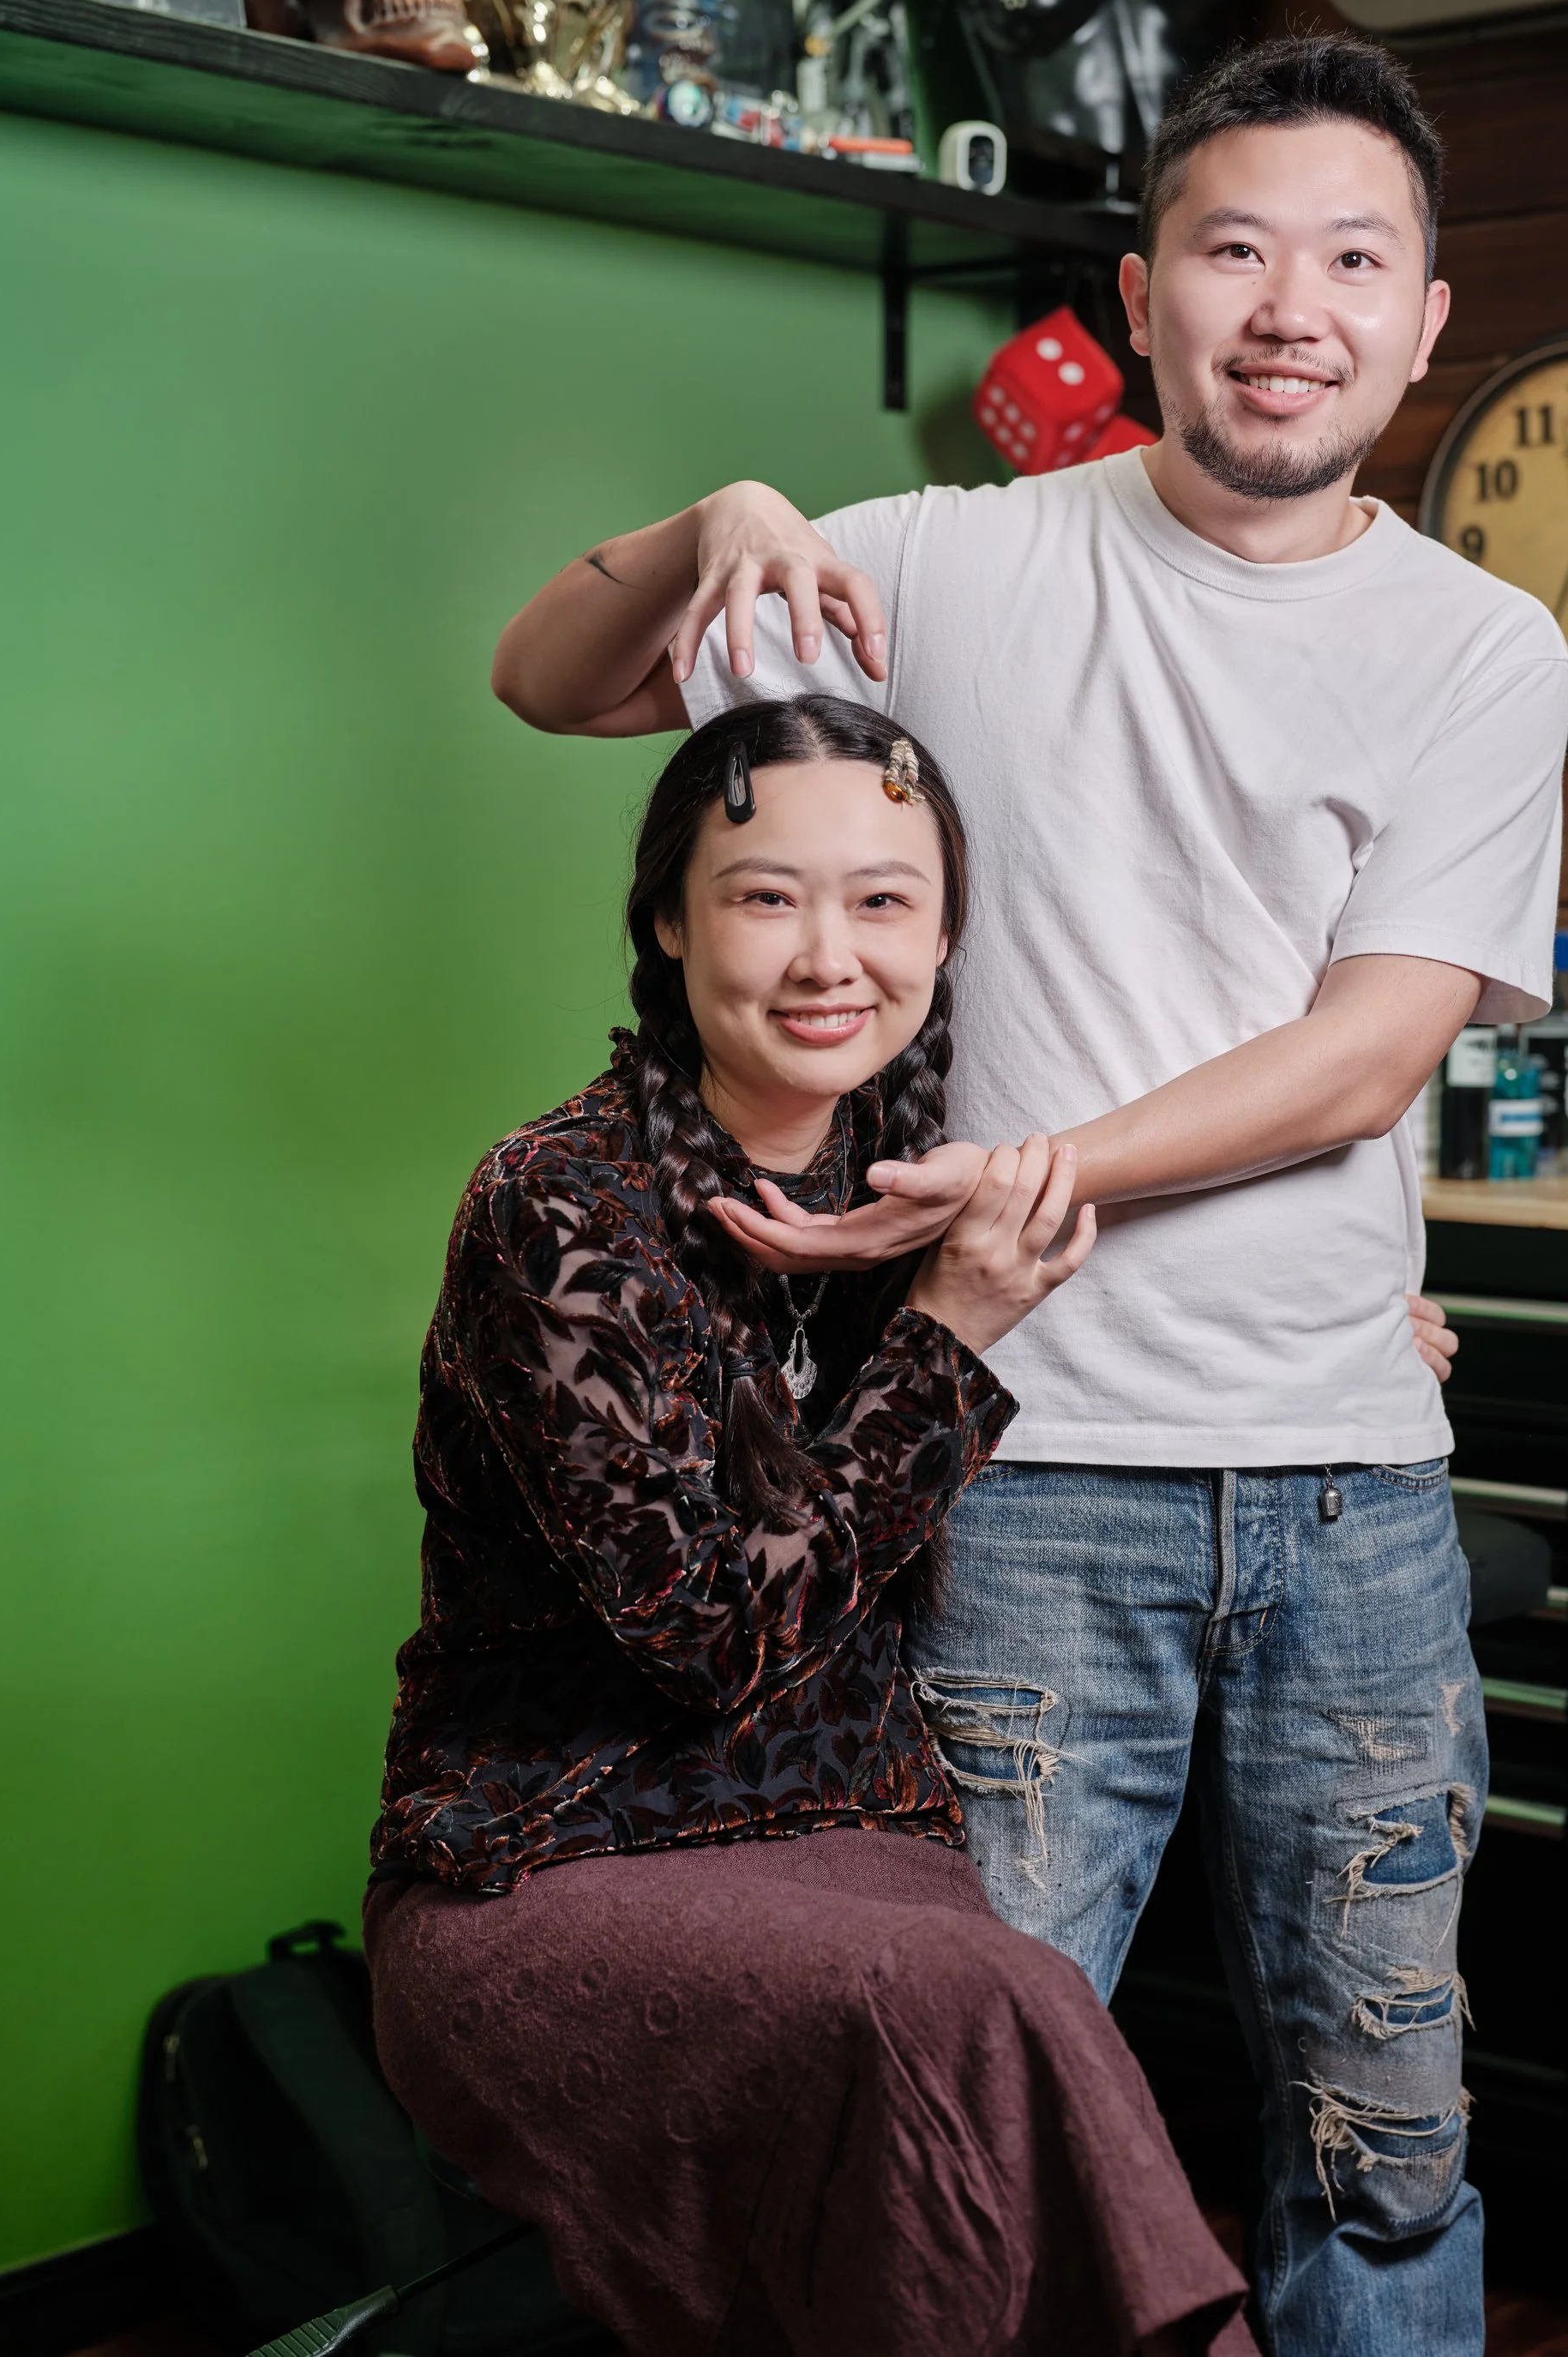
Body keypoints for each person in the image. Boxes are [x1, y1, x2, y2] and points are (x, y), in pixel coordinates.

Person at [491, 32, 1568, 2357]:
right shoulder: (941, 567)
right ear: (1146, 288)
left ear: (1420, 315)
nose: (1293, 305)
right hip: (1014, 1483)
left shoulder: (1479, 644)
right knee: (955, 2126)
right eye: (1236, 249)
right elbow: (550, 683)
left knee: (1382, 2142)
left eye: (1350, 260)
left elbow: (1373, 1050)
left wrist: (1031, 1171)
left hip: (1348, 1498)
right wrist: (717, 522)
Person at [365, 695, 1256, 2357]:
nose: (826, 952)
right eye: (766, 894)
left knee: (972, 2078)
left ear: (944, 928)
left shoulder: (930, 1181)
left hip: (856, 1838)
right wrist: (951, 1336)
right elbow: (704, 1634)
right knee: (994, 2004)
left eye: (883, 898)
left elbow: (1198, 1243)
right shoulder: (560, 1202)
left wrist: (1370, 1315)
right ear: (666, 916)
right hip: (552, 1855)